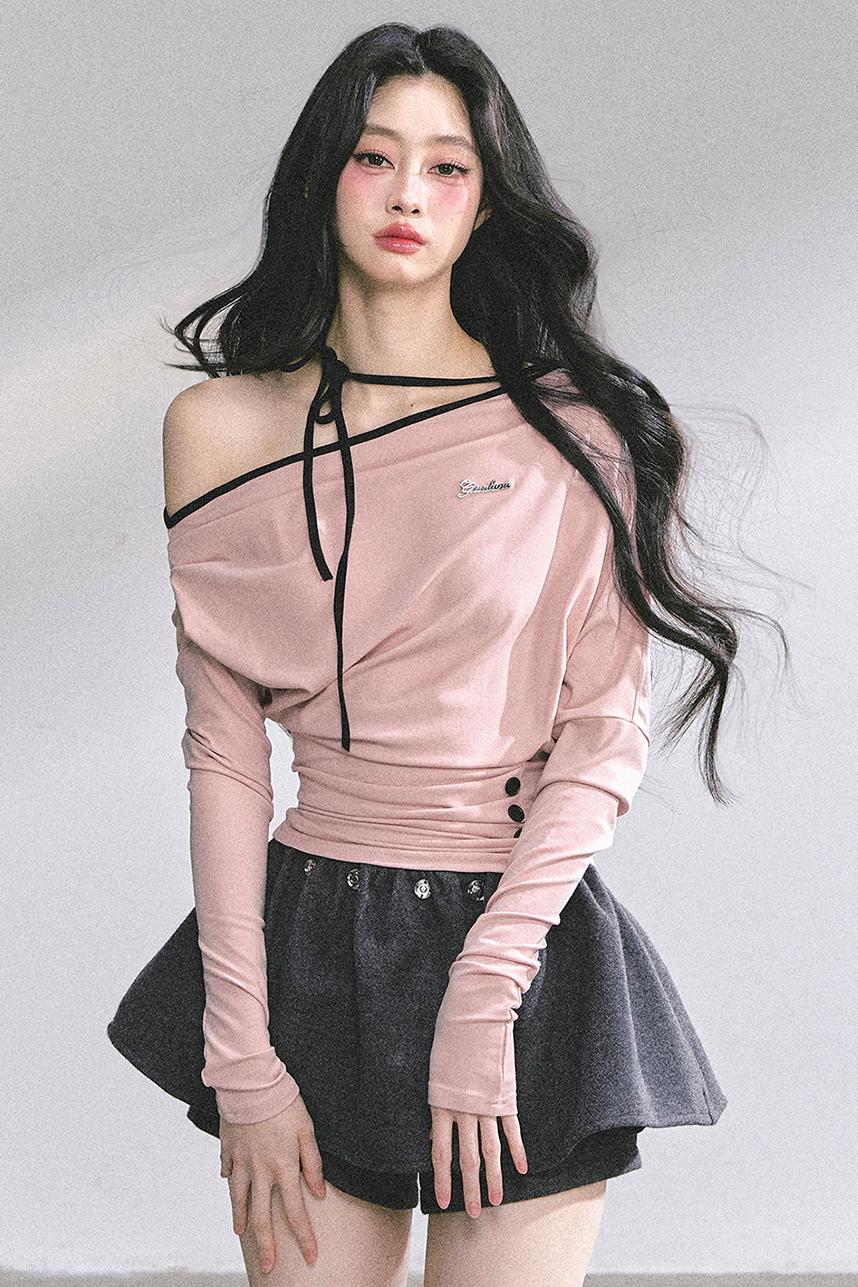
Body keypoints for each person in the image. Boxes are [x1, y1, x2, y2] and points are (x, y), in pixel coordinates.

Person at [107, 21, 787, 1287]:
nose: (408, 195)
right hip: (311, 941)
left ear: (485, 201)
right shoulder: (218, 427)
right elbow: (224, 757)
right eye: (374, 157)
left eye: (448, 167)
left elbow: (602, 735)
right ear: (322, 180)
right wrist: (241, 1057)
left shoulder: (577, 430)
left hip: (520, 942)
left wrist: (486, 993)